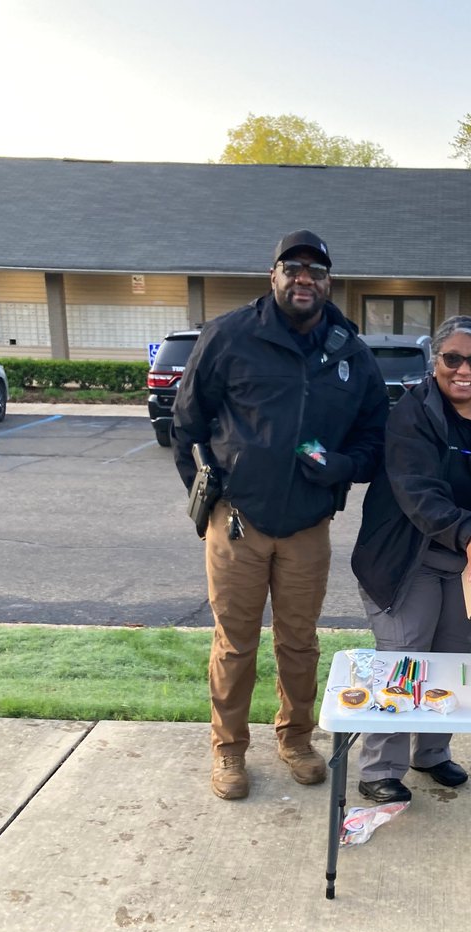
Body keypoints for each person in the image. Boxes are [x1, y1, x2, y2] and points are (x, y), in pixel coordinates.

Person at [172, 230, 388, 800]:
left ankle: (295, 738)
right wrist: (210, 495)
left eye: (316, 271)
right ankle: (228, 750)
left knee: (299, 642)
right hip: (237, 521)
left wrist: (340, 466)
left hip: (307, 527)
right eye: (293, 268)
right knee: (235, 643)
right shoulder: (230, 336)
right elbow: (187, 423)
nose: (304, 279)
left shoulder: (349, 350)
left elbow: (374, 436)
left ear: (328, 282)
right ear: (273, 275)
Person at [351, 315, 471, 803]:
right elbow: (418, 490)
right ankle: (378, 768)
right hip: (407, 558)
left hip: (470, 561)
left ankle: (430, 753)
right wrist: (470, 532)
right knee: (405, 658)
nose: (463, 370)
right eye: (452, 358)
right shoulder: (412, 413)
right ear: (436, 362)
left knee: (452, 658)